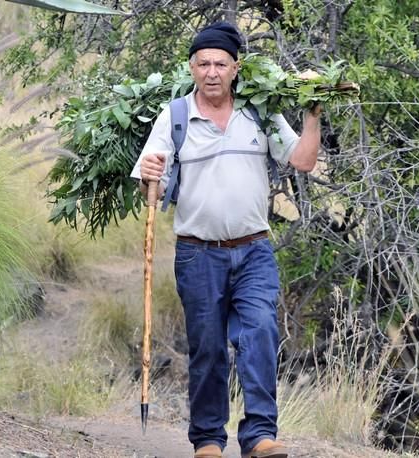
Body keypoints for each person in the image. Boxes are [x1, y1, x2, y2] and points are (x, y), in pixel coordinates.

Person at [130, 21, 321, 458]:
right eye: (203, 63)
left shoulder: (259, 112)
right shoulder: (175, 117)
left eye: (220, 63)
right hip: (198, 255)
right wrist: (150, 178)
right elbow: (150, 187)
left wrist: (313, 113)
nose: (212, 71)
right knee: (209, 349)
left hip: (254, 250)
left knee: (260, 334)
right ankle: (209, 440)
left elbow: (304, 161)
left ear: (236, 68)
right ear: (191, 68)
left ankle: (259, 437)